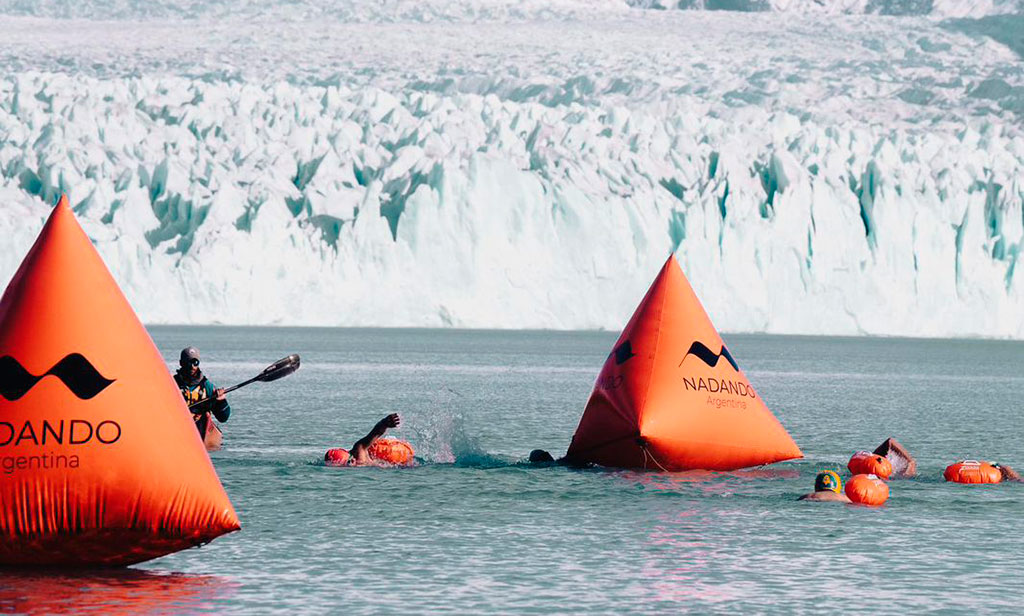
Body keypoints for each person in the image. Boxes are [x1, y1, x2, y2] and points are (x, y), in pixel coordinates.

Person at [173, 347, 230, 437]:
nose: (192, 366)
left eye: (195, 362)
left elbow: (223, 418)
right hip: (177, 425)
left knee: (205, 416)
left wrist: (221, 401)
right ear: (181, 363)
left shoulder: (207, 387)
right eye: (188, 362)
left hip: (200, 427)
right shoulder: (172, 384)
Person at [325, 413, 402, 466]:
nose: (352, 462)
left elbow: (374, 433)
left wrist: (384, 422)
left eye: (349, 461)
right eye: (347, 463)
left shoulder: (359, 450)